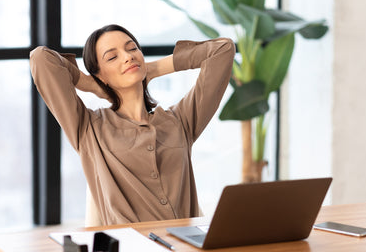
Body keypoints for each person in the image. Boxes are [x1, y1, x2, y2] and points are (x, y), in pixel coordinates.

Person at [29, 24, 235, 225]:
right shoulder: (88, 128)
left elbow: (223, 50)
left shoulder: (181, 121)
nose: (128, 56)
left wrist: (153, 69)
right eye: (112, 57)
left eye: (132, 48)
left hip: (184, 245)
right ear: (100, 74)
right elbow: (41, 58)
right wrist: (90, 84)